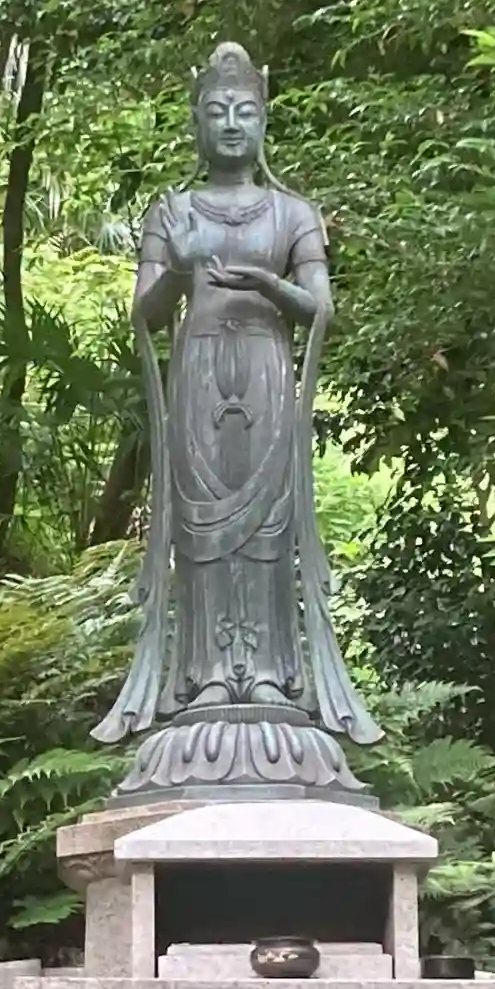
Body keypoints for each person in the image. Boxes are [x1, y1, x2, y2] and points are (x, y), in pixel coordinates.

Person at [93, 41, 380, 750]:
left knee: (268, 523)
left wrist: (271, 286)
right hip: (197, 372)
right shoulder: (171, 211)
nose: (230, 123)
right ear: (196, 120)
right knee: (200, 523)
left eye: (244, 111)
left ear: (263, 121)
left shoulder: (292, 212)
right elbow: (144, 313)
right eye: (216, 110)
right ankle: (206, 676)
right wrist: (178, 269)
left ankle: (272, 675)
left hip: (264, 370)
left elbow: (322, 309)